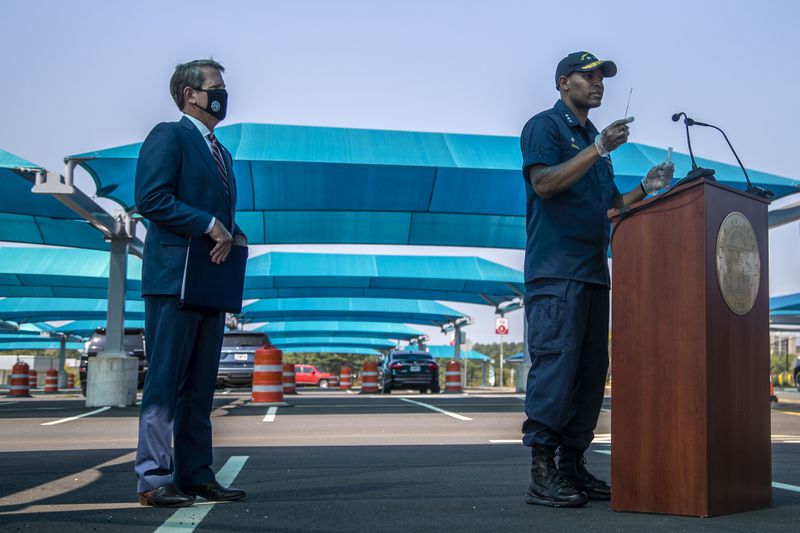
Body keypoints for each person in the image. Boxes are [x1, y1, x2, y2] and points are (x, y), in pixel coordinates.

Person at [519, 51, 673, 508]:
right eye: (588, 76)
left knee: (589, 373)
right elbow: (544, 184)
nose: (598, 83)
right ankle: (541, 471)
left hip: (592, 274)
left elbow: (611, 208)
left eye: (601, 77)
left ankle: (571, 465)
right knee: (556, 366)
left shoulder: (594, 142)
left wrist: (647, 187)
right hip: (556, 272)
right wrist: (598, 149)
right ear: (564, 83)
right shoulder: (545, 127)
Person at [134, 58, 247, 507]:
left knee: (200, 385)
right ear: (190, 95)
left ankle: (197, 473)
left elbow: (221, 216)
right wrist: (207, 224)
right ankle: (154, 477)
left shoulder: (223, 152)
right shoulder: (169, 136)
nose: (223, 94)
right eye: (215, 87)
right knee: (165, 383)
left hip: (209, 281)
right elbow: (151, 199)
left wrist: (231, 233)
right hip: (172, 280)